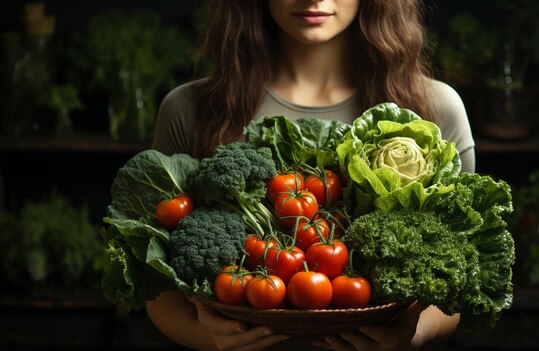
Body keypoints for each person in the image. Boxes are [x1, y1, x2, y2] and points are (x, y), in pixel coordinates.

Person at [148, 1, 473, 350]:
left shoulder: (436, 108)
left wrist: (414, 334)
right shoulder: (189, 109)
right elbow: (153, 284)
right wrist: (203, 336)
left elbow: (462, 276)